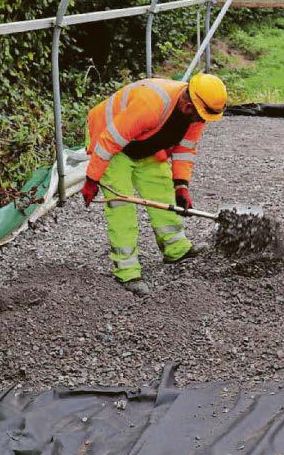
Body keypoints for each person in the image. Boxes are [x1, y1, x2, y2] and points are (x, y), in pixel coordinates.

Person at [81, 74, 227, 296]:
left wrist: (181, 186)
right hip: (110, 141)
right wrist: (91, 179)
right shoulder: (151, 103)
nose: (200, 121)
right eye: (199, 117)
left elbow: (186, 149)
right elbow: (109, 141)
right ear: (187, 106)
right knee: (121, 206)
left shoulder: (197, 114)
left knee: (162, 191)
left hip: (144, 142)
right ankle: (127, 271)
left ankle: (175, 248)